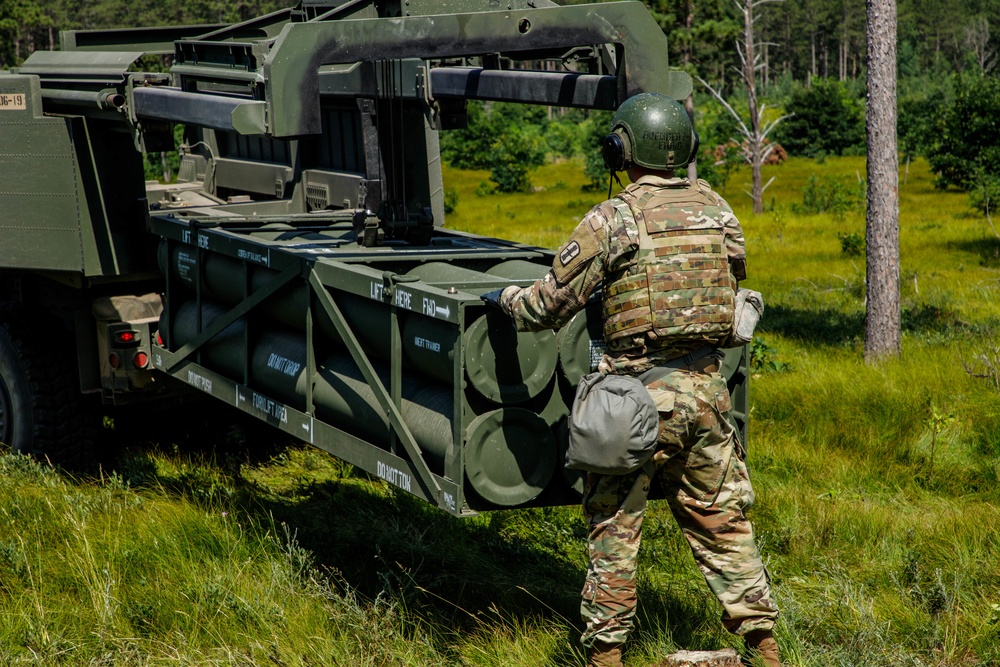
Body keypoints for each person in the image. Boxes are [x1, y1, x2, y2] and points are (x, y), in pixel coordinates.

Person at [481, 93, 781, 667]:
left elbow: (549, 305)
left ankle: (606, 656)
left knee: (615, 533)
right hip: (706, 395)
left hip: (632, 400)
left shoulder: (614, 217)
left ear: (620, 148)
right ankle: (766, 648)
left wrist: (506, 300)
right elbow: (731, 276)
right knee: (723, 522)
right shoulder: (718, 209)